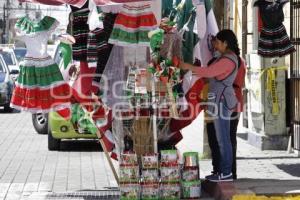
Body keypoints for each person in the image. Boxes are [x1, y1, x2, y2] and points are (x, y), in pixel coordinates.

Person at [179, 29, 241, 182]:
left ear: (225, 43)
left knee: (223, 139)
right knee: (222, 138)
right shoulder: (225, 57)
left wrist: (187, 66)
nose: (216, 46)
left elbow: (209, 72)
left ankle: (226, 172)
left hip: (222, 102)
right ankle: (222, 171)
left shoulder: (228, 59)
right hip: (218, 101)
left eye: (218, 43)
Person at [206, 44, 246, 180]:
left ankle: (223, 171)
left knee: (220, 139)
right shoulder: (238, 61)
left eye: (218, 43)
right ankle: (227, 171)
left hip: (225, 102)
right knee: (227, 138)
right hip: (232, 103)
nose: (216, 47)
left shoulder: (228, 62)